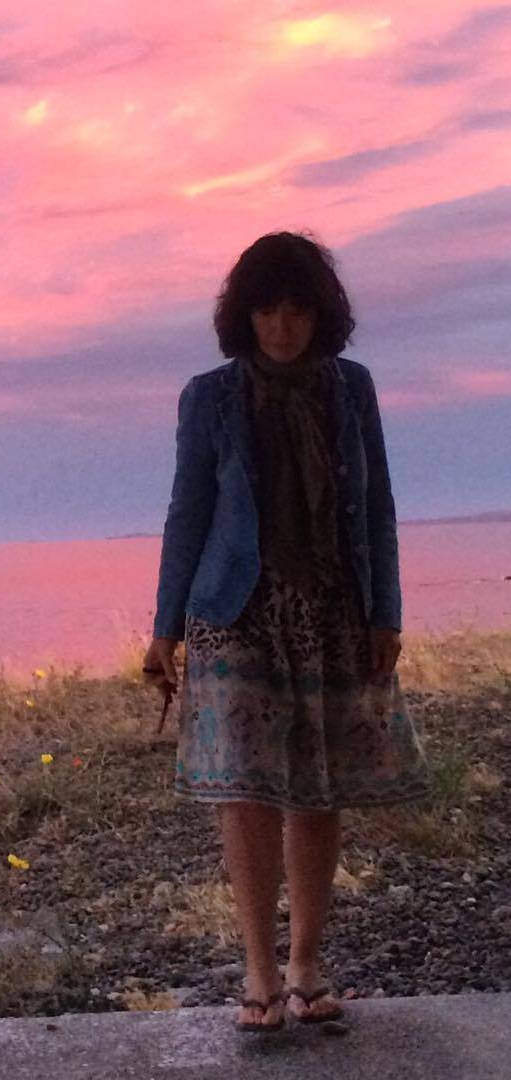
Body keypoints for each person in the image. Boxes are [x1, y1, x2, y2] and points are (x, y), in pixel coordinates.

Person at [143, 231, 430, 1033]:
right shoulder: (210, 397)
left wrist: (386, 611)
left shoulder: (351, 389)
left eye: (298, 310)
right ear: (244, 314)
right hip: (235, 616)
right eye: (267, 310)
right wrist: (164, 629)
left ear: (320, 314)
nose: (282, 326)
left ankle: (305, 963)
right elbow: (188, 513)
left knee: (318, 786)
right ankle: (259, 972)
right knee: (245, 792)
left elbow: (377, 505)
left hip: (332, 612)